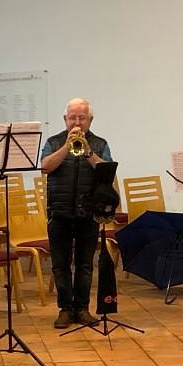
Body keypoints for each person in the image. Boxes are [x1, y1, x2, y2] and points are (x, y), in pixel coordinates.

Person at [41, 98, 113, 328]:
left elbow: (106, 172)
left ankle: (82, 308)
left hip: (88, 212)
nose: (77, 122)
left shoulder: (100, 144)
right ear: (65, 119)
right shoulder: (53, 142)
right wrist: (67, 146)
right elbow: (45, 167)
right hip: (59, 212)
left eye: (82, 118)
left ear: (90, 120)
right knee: (60, 265)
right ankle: (65, 309)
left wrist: (88, 151)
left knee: (85, 265)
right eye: (73, 117)